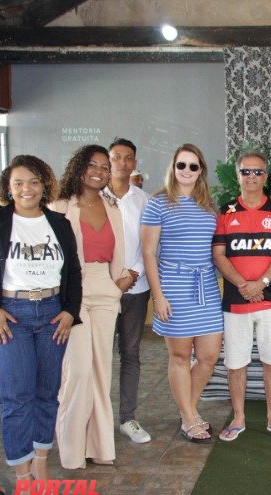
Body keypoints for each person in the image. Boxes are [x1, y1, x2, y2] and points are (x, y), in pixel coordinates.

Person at [0, 155, 82, 495]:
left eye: (33, 181)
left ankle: (41, 463)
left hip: (52, 316)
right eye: (18, 183)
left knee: (47, 393)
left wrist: (69, 311)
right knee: (17, 398)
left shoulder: (59, 224)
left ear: (44, 184)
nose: (26, 189)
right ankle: (24, 479)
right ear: (7, 188)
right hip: (7, 317)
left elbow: (73, 272)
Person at [52, 145, 135, 469]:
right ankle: (72, 452)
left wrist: (119, 284)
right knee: (78, 371)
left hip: (105, 289)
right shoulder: (60, 205)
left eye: (104, 166)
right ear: (79, 166)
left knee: (101, 371)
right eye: (92, 164)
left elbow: (119, 252)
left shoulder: (112, 207)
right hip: (70, 292)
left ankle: (99, 447)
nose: (99, 171)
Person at [141, 144, 223, 444]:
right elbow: (148, 253)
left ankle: (187, 409)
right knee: (180, 355)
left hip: (206, 287)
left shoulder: (208, 206)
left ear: (200, 171)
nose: (186, 171)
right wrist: (158, 296)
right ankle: (189, 417)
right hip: (173, 287)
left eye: (193, 166)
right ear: (173, 168)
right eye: (181, 165)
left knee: (209, 356)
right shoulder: (158, 203)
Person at [212, 151, 271, 442]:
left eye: (257, 171)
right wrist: (242, 284)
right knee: (236, 363)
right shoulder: (225, 212)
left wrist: (260, 283)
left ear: (266, 176)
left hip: (270, 300)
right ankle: (238, 418)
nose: (251, 176)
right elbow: (219, 254)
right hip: (236, 302)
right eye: (245, 171)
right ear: (237, 176)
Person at [106, 138, 152, 444]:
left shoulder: (144, 200)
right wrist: (108, 281)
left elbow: (150, 244)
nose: (122, 163)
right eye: (116, 157)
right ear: (108, 161)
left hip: (136, 288)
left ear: (135, 163)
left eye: (128, 158)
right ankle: (94, 420)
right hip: (100, 290)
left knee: (130, 354)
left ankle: (127, 418)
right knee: (96, 356)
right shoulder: (94, 197)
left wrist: (133, 273)